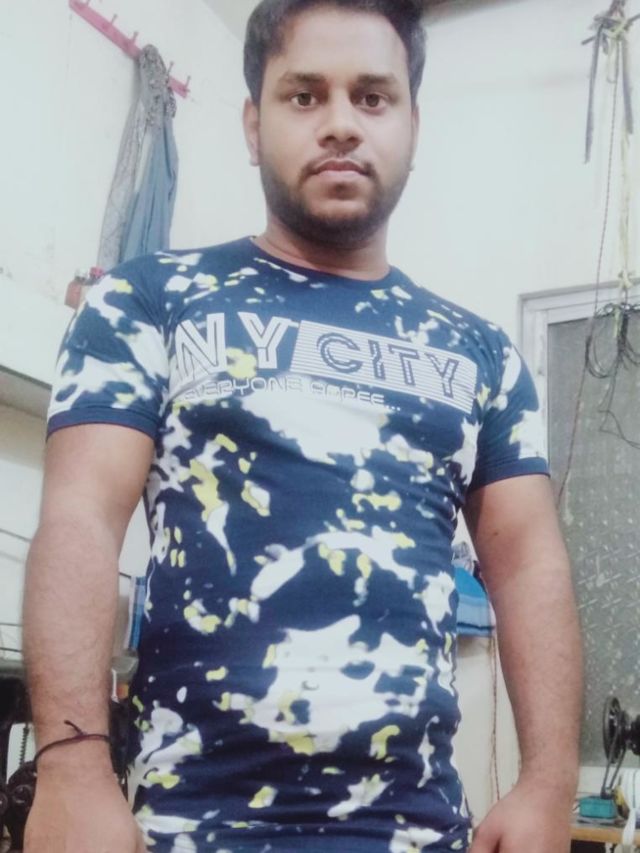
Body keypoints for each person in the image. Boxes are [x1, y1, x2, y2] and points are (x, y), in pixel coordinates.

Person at [22, 1, 582, 851]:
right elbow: (80, 521)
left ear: (414, 126)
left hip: (418, 829)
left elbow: (530, 562)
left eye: (373, 97)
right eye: (305, 95)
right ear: (254, 125)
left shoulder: (481, 353)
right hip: (191, 826)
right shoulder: (146, 302)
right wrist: (70, 769)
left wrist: (550, 782)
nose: (341, 124)